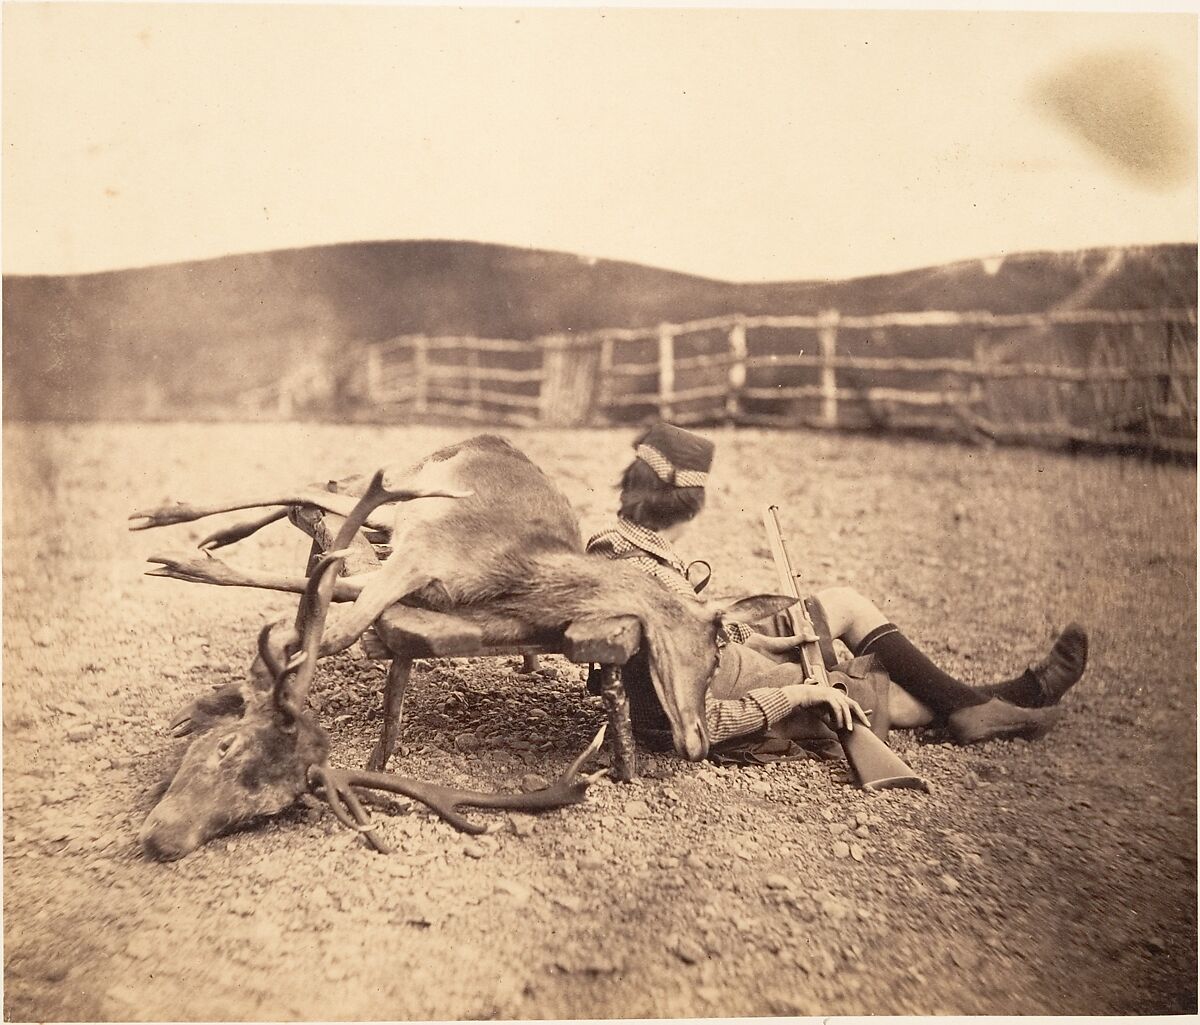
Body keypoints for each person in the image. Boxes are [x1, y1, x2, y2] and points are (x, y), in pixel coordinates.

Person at [586, 423, 1089, 758]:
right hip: (719, 685)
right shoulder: (659, 580)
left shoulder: (612, 545)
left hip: (721, 654)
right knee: (882, 695)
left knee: (842, 603)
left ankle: (983, 704)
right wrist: (798, 691)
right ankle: (1011, 699)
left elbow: (691, 627)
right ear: (694, 505)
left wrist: (755, 637)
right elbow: (699, 711)